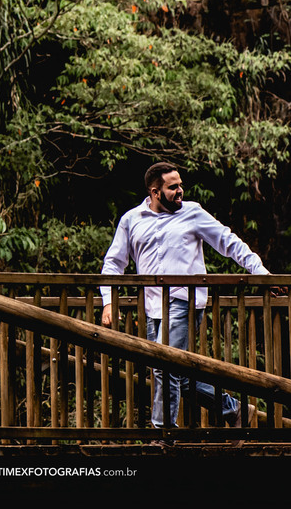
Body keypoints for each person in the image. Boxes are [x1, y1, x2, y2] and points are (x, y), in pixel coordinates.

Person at [100, 162, 270, 429]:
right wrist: (109, 300)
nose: (181, 191)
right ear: (155, 192)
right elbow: (114, 263)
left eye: (180, 185)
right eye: (173, 187)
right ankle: (235, 411)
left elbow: (228, 242)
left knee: (164, 365)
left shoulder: (192, 213)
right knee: (177, 372)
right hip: (152, 306)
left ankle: (164, 433)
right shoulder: (131, 220)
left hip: (183, 300)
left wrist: (259, 271)